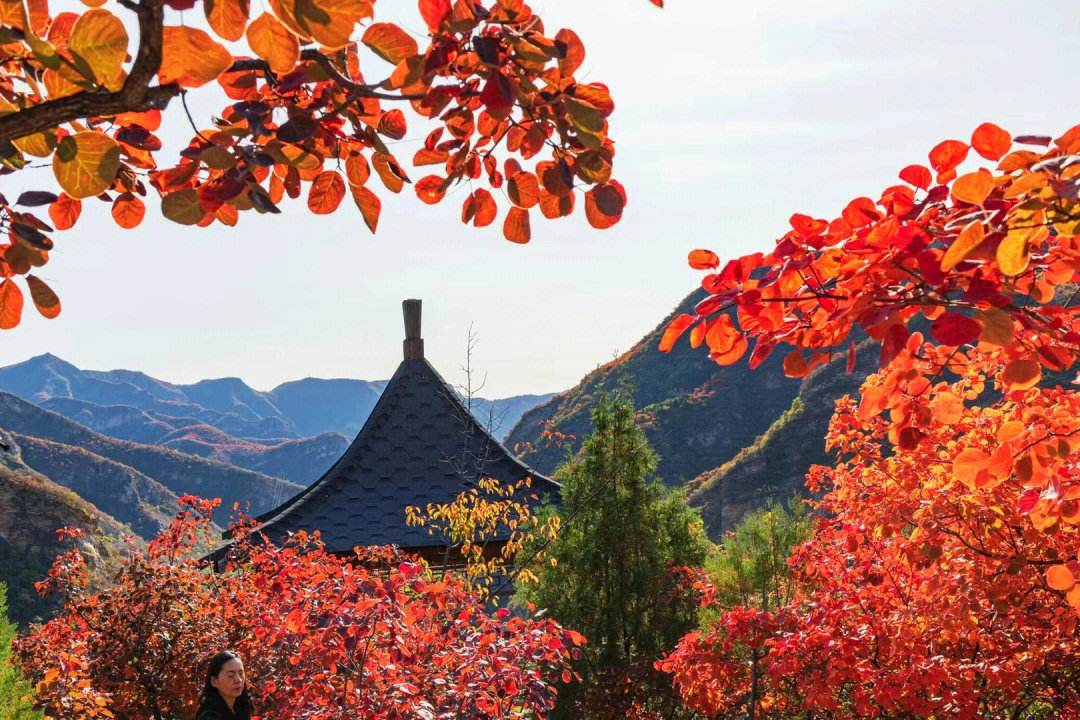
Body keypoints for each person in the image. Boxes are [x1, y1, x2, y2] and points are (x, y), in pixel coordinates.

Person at [196, 650, 253, 720]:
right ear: (214, 681)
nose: (238, 680)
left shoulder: (242, 709)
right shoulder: (209, 716)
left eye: (241, 674)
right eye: (231, 675)